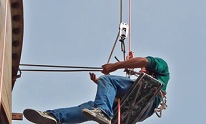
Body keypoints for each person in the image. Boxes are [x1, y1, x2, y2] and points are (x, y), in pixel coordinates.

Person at [23, 52, 170, 124]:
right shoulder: (136, 87)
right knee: (89, 107)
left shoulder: (162, 67)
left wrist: (115, 66)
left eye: (144, 68)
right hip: (132, 108)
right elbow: (118, 98)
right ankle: (55, 117)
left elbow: (143, 61)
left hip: (149, 97)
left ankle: (103, 112)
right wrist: (99, 84)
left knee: (108, 80)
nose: (141, 70)